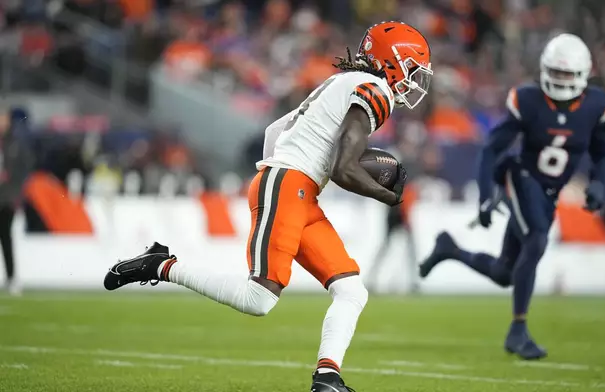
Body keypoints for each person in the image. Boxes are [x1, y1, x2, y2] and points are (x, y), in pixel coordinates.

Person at [103, 21, 432, 392]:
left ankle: (328, 378)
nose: (415, 82)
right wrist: (388, 196)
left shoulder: (344, 84)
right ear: (392, 61)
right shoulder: (375, 91)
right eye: (413, 71)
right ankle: (160, 265)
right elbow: (343, 169)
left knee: (352, 290)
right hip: (291, 186)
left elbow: (276, 130)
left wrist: (281, 174)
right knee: (258, 298)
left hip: (295, 188)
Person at [419, 33, 605, 360]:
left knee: (505, 273)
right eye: (557, 73)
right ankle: (518, 330)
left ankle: (449, 249)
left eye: (567, 74)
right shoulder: (529, 99)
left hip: (548, 192)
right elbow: (491, 150)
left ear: (582, 74)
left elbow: (601, 152)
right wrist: (485, 195)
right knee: (537, 239)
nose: (561, 80)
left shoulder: (596, 104)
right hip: (520, 177)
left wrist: (598, 183)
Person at [0, 107, 35, 296]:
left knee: (6, 238)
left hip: (7, 198)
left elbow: (24, 170)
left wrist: (16, 194)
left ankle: (11, 277)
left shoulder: (15, 143)